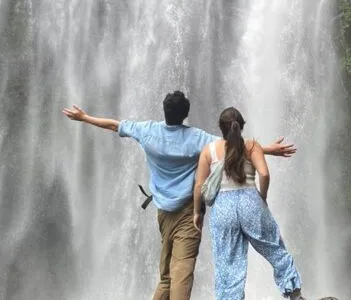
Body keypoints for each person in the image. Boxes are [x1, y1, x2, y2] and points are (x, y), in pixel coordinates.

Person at [62, 91, 297, 300]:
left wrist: (84, 118)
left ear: (165, 112)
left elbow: (115, 125)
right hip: (187, 213)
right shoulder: (196, 138)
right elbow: (233, 146)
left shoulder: (148, 131)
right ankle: (294, 292)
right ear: (185, 116)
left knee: (167, 277)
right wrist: (268, 149)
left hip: (163, 213)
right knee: (182, 272)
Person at [193, 107, 305, 300]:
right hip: (250, 202)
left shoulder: (209, 150)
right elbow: (264, 173)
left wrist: (197, 213)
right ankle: (294, 294)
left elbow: (199, 186)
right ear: (242, 126)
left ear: (220, 128)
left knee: (227, 263)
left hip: (223, 208)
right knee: (274, 247)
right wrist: (263, 196)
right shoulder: (252, 145)